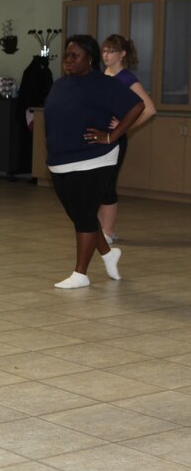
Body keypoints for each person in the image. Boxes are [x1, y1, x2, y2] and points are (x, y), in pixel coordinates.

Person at [45, 35, 144, 289]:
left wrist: (112, 135)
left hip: (94, 159)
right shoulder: (60, 84)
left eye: (75, 55)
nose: (68, 60)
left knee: (85, 215)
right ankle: (109, 254)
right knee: (79, 214)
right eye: (67, 55)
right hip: (60, 161)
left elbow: (137, 106)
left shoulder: (104, 84)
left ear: (90, 59)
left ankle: (81, 274)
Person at [99, 34, 156, 243]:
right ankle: (104, 229)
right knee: (98, 182)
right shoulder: (103, 76)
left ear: (122, 54)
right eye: (104, 50)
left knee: (108, 184)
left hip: (115, 138)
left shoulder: (127, 79)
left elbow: (149, 109)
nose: (106, 55)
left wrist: (124, 128)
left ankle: (107, 230)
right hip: (102, 137)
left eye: (111, 51)